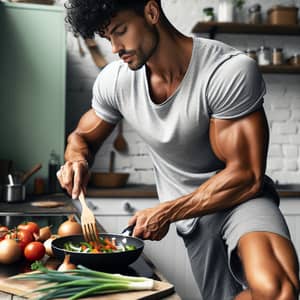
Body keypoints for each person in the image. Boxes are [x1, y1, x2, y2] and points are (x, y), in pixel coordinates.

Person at [57, 1, 300, 299]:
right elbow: (82, 137)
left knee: (278, 292)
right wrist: (76, 160)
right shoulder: (116, 80)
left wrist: (168, 211)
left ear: (151, 12)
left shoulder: (227, 71)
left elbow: (246, 175)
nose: (116, 48)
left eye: (121, 31)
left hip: (240, 198)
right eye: (108, 38)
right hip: (191, 219)